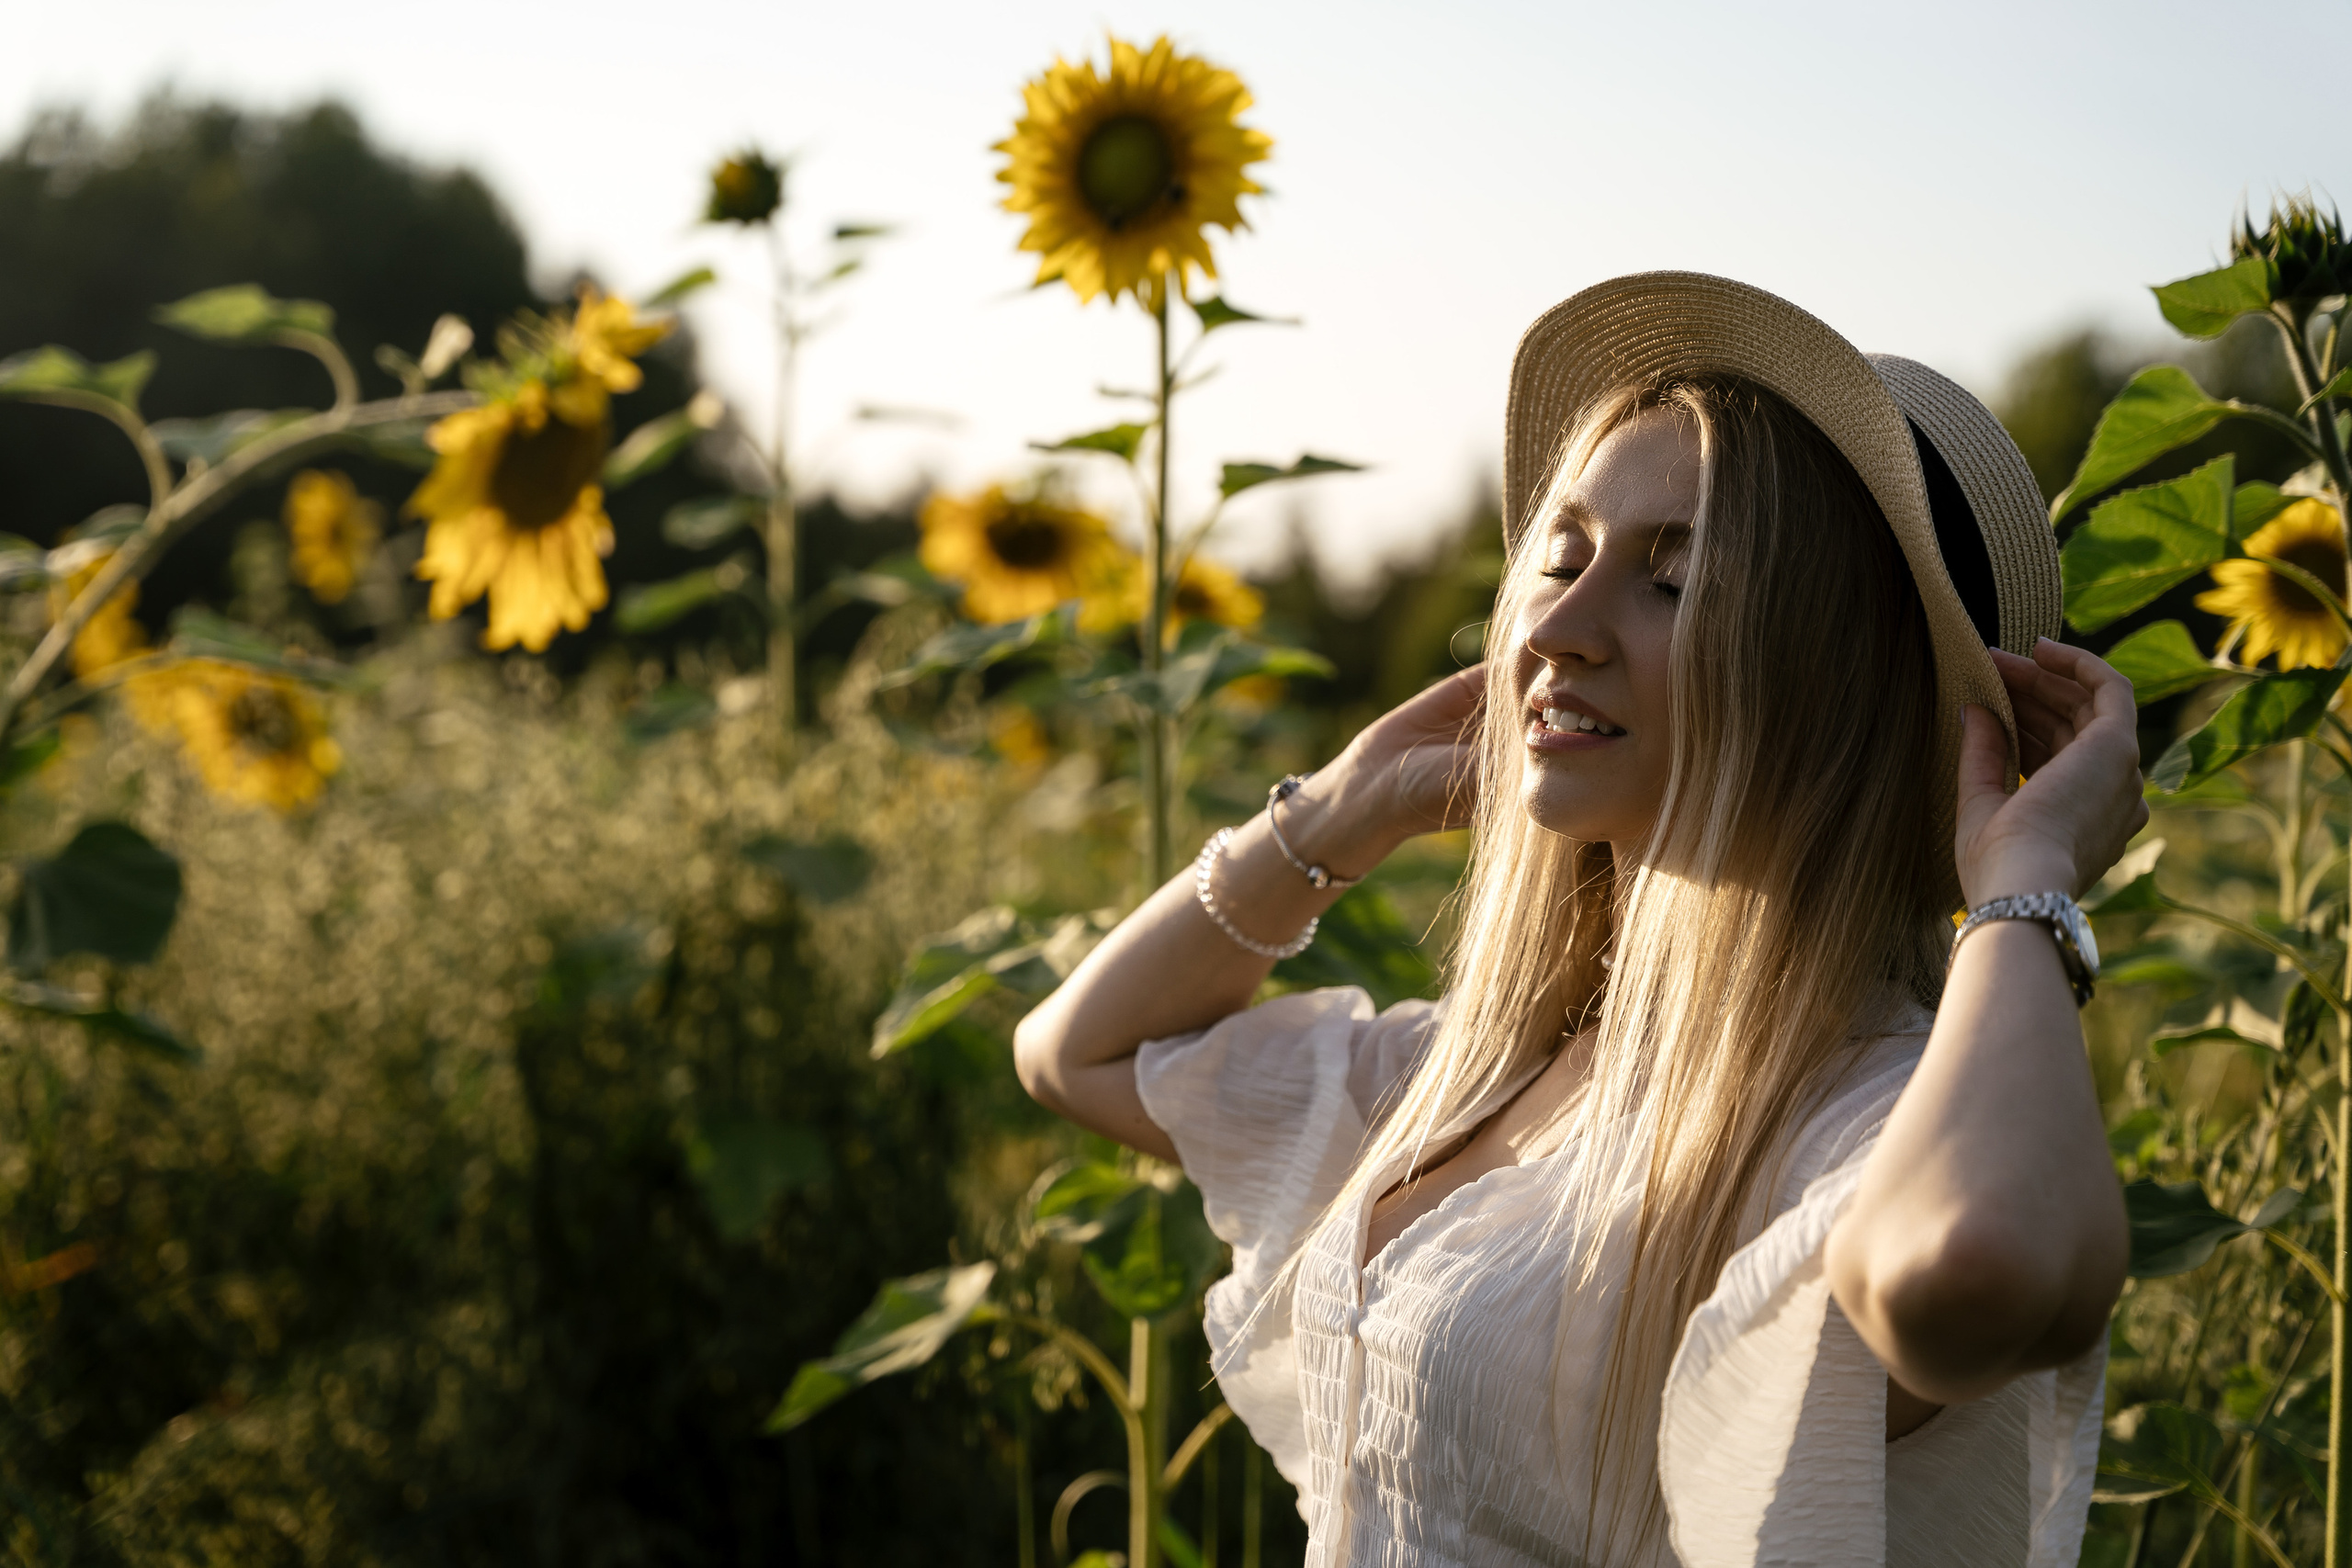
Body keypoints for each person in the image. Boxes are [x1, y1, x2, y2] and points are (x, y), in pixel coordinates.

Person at [1013, 273, 2145, 1568]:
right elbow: (1073, 1055)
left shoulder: (1856, 1137)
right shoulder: (1475, 1077)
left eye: (1673, 582)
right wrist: (1337, 812)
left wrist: (2025, 879)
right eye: (1561, 559)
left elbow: (1984, 1271)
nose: (1553, 626)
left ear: (1842, 690)